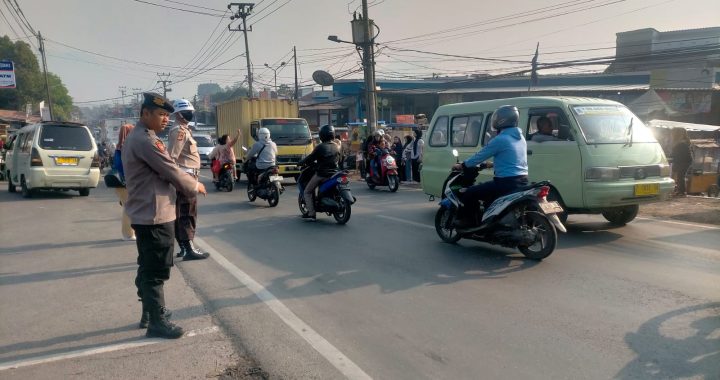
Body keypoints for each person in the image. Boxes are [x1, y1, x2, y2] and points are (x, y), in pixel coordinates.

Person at [122, 92, 207, 339]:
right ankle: (156, 321)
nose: (164, 120)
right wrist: (194, 185)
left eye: (167, 116)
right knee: (156, 269)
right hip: (154, 213)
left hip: (149, 211)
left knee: (149, 266)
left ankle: (150, 312)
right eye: (160, 114)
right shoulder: (146, 140)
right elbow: (169, 168)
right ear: (145, 113)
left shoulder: (141, 137)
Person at [452, 105, 528, 228]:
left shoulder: (501, 139)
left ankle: (469, 221)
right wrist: (492, 164)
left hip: (505, 183)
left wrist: (462, 165)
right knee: (487, 195)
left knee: (470, 192)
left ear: (501, 120)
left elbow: (479, 156)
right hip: (522, 180)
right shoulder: (520, 138)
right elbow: (514, 159)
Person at [167, 99, 209, 261]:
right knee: (187, 212)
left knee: (184, 212)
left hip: (188, 175)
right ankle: (188, 247)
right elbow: (172, 157)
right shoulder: (179, 131)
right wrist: (182, 179)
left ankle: (185, 247)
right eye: (186, 112)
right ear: (177, 114)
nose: (190, 114)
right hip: (186, 176)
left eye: (191, 112)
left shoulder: (184, 129)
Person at [298, 125, 342, 221]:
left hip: (322, 174)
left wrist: (301, 162)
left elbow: (310, 158)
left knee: (307, 191)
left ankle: (311, 213)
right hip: (334, 173)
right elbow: (340, 159)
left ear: (322, 135)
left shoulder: (320, 147)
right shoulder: (336, 146)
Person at [113, 123, 136, 241]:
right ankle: (128, 234)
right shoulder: (125, 148)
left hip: (121, 183)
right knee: (128, 208)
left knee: (128, 207)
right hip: (125, 182)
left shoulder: (119, 148)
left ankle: (130, 233)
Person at [670, 127, 693, 197]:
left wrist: (672, 158)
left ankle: (682, 192)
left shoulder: (682, 143)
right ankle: (678, 190)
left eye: (673, 133)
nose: (671, 134)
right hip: (679, 161)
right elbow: (674, 153)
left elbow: (678, 154)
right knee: (675, 175)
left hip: (684, 162)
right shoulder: (680, 142)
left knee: (680, 176)